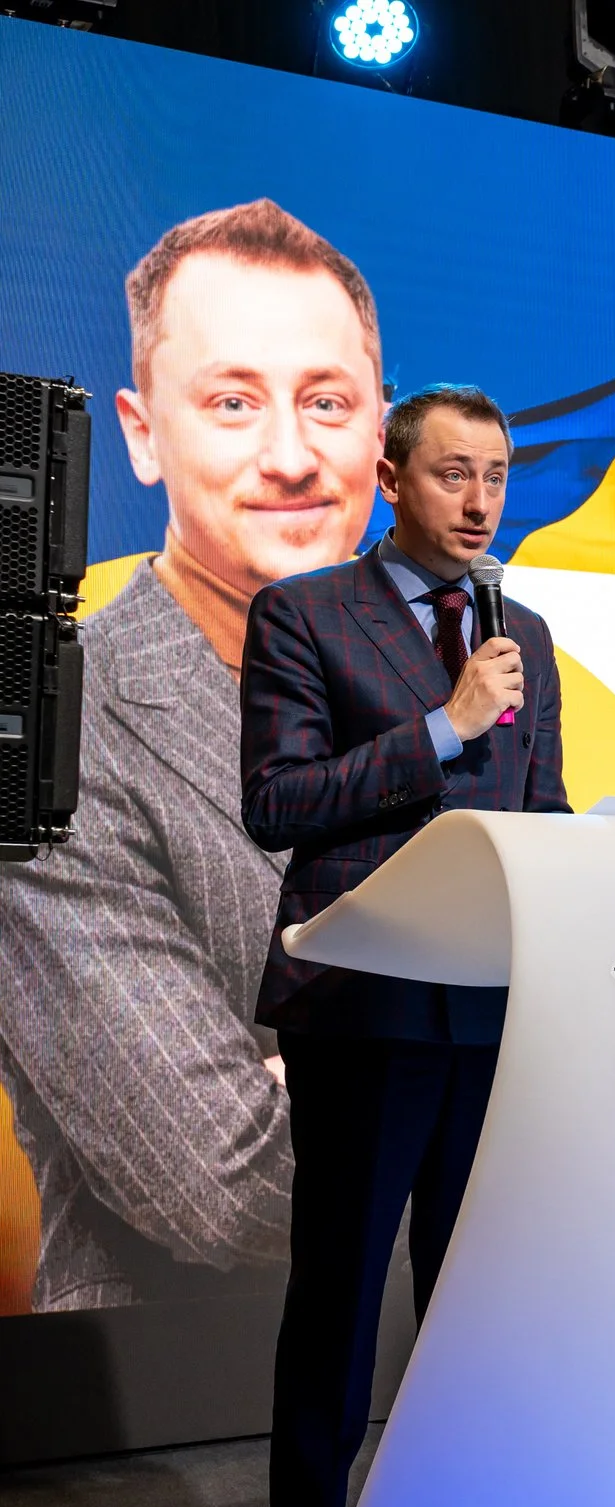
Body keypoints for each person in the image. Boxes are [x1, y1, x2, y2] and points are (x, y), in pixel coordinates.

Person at [0, 200, 384, 1311]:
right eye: (231, 402)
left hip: (455, 1386)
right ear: (140, 432)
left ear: (379, 429)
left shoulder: (443, 701)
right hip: (185, 1437)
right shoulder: (55, 729)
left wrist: (317, 1077)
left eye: (326, 402)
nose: (291, 456)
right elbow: (228, 1179)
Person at [242, 383, 568, 1507]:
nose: (480, 499)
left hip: (491, 1013)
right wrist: (441, 726)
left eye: (495, 474)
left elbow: (543, 814)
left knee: (470, 1305)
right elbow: (277, 803)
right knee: (340, 1296)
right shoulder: (306, 614)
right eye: (452, 473)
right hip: (365, 1006)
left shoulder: (522, 630)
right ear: (389, 478)